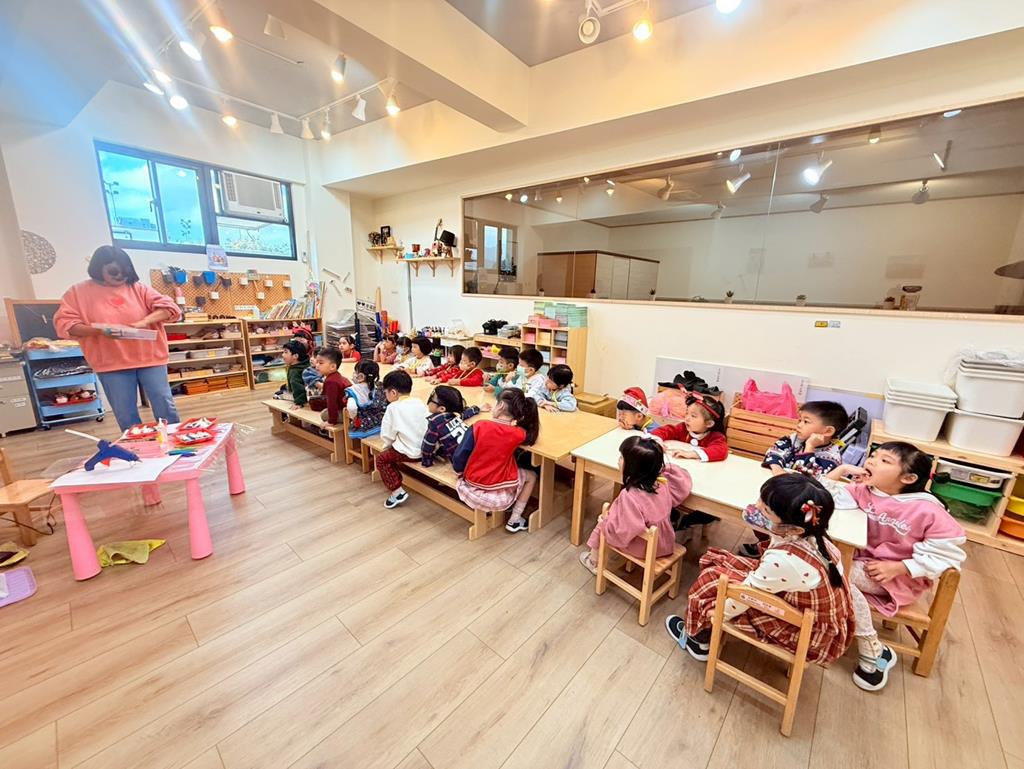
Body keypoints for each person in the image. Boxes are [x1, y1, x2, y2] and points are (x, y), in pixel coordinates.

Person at [664, 473, 853, 666]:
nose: (756, 507)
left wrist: (717, 614)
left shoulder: (785, 561)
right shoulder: (817, 538)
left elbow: (745, 596)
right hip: (804, 612)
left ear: (794, 529)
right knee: (723, 563)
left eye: (766, 510)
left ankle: (699, 640)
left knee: (710, 580)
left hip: (804, 633)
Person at [825, 442, 966, 691]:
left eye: (885, 460)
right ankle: (859, 640)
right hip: (862, 563)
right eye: (873, 456)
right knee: (827, 570)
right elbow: (824, 498)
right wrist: (842, 471)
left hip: (898, 577)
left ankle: (872, 648)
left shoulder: (928, 510)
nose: (871, 461)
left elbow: (948, 555)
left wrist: (900, 567)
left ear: (908, 478)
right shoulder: (865, 490)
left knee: (832, 575)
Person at [54, 245, 182, 430]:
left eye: (125, 271)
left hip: (150, 357)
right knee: (126, 413)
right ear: (98, 268)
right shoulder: (78, 292)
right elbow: (66, 325)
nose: (120, 276)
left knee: (165, 405)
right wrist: (100, 331)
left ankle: (174, 441)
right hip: (111, 362)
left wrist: (145, 321)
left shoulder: (138, 288)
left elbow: (171, 309)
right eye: (114, 271)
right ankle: (137, 445)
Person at [579, 435, 692, 573]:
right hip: (665, 542)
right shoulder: (662, 482)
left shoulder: (630, 497)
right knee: (609, 518)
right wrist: (655, 457)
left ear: (633, 467)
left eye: (622, 458)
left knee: (603, 521)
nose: (618, 460)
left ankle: (593, 561)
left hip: (645, 548)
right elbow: (680, 475)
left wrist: (605, 524)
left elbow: (623, 532)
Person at [453, 388, 540, 533]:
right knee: (531, 476)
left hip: (470, 489)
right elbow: (530, 436)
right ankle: (515, 519)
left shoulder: (479, 426)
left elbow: (459, 456)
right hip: (501, 498)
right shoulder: (519, 434)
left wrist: (459, 472)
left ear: (500, 406)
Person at [376, 369, 429, 509]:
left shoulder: (393, 407)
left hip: (409, 452)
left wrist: (387, 446)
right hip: (426, 449)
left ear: (393, 392)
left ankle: (397, 492)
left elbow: (387, 434)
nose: (385, 395)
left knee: (381, 459)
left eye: (385, 392)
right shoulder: (418, 402)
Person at [764, 400, 848, 477]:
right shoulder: (795, 439)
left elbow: (808, 478)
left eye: (806, 422)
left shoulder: (832, 458)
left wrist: (809, 448)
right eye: (800, 420)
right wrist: (778, 470)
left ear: (828, 431)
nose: (799, 425)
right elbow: (773, 452)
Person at [421, 385, 489, 467]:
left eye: (431, 399)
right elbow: (463, 414)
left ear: (442, 409)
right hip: (478, 454)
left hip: (464, 464)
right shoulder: (454, 414)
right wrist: (477, 408)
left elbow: (428, 446)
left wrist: (426, 462)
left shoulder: (435, 422)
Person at [651, 394, 728, 462]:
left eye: (693, 416)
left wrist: (692, 454)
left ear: (709, 423)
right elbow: (665, 430)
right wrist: (657, 441)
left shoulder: (716, 437)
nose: (687, 418)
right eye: (687, 413)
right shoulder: (682, 428)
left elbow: (721, 451)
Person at [308, 347, 351, 425]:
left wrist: (331, 421)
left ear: (332, 367)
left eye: (321, 363)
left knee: (324, 414)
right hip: (349, 410)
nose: (317, 366)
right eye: (317, 362)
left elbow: (332, 403)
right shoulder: (336, 376)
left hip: (348, 414)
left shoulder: (331, 381)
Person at [345, 360, 387, 437]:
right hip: (382, 424)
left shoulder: (353, 390)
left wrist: (353, 417)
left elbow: (352, 407)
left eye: (355, 372)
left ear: (361, 376)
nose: (353, 374)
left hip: (365, 428)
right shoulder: (379, 386)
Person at [273, 339, 310, 407]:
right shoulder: (305, 364)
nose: (282, 355)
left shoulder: (295, 371)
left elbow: (298, 388)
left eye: (285, 352)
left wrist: (299, 403)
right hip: (307, 393)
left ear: (295, 356)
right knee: (283, 387)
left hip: (303, 396)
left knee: (276, 395)